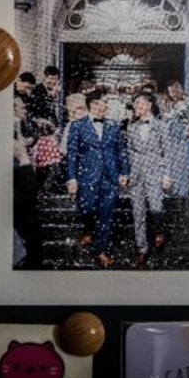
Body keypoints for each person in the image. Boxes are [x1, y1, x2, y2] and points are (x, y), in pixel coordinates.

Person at [65, 91, 129, 268]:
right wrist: (71, 179)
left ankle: (101, 251)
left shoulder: (114, 126)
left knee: (106, 216)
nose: (106, 106)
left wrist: (124, 172)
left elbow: (121, 151)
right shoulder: (77, 126)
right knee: (87, 209)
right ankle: (89, 229)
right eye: (103, 102)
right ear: (93, 104)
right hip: (86, 177)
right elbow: (72, 155)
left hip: (110, 177)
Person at [125, 92, 171, 265]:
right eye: (135, 104)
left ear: (150, 105)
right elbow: (128, 151)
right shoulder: (131, 127)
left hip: (155, 172)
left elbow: (167, 152)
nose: (137, 107)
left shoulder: (161, 126)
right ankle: (142, 248)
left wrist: (166, 175)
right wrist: (128, 173)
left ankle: (160, 230)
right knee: (138, 213)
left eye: (140, 103)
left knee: (156, 207)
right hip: (136, 174)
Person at [12, 96, 43, 269]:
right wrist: (24, 158)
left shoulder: (18, 127)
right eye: (21, 107)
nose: (25, 110)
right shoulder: (10, 132)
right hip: (19, 189)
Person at [158, 80, 189, 197]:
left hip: (185, 139)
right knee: (173, 168)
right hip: (173, 140)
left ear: (179, 88)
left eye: (174, 91)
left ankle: (182, 194)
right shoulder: (172, 103)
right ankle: (174, 193)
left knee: (184, 168)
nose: (172, 95)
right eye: (170, 92)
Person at [29, 66, 61, 130]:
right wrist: (51, 96)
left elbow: (52, 111)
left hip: (49, 128)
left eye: (55, 79)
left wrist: (57, 126)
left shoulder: (52, 91)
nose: (53, 81)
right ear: (44, 77)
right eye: (51, 78)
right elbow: (39, 109)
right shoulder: (37, 89)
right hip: (39, 127)